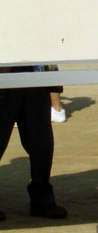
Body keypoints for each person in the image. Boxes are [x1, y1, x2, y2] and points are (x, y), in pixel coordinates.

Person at [0, 67, 67, 220]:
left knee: (42, 142)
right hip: (3, 75)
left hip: (35, 77)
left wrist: (53, 80)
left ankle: (42, 199)